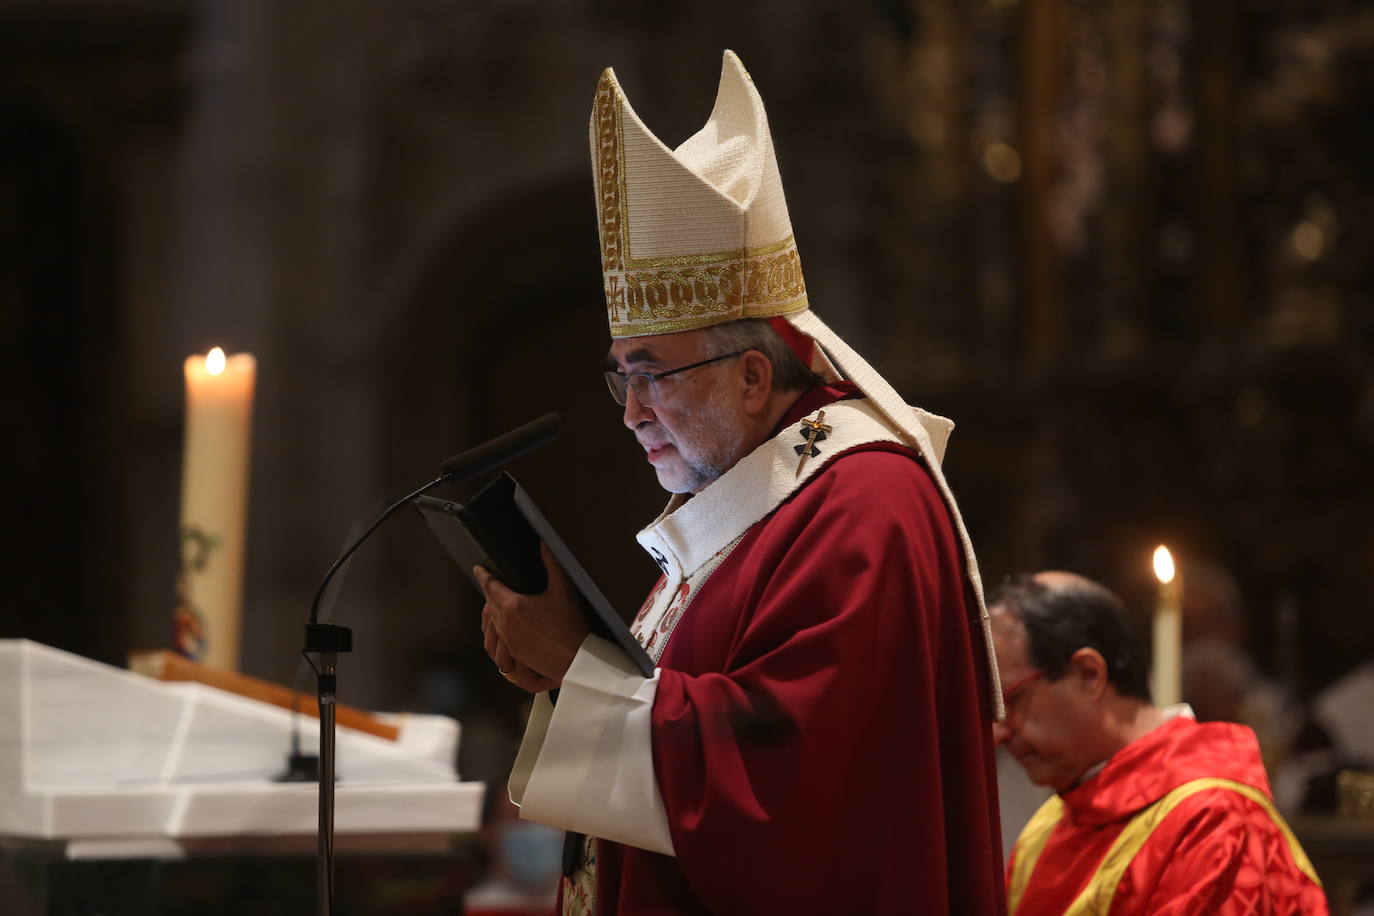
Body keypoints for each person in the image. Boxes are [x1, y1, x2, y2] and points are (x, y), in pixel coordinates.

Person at [474, 50, 1005, 915]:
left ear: (753, 377)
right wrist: (563, 676)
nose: (631, 412)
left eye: (654, 375)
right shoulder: (747, 505)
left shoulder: (867, 508)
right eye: (621, 378)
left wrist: (578, 663)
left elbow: (794, 791)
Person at [989, 571, 1327, 915]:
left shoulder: (1212, 820)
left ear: (1088, 674)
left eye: (1013, 700)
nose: (998, 733)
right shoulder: (1050, 823)